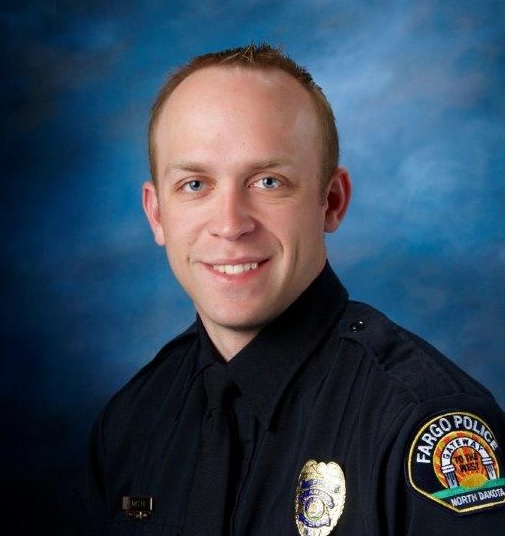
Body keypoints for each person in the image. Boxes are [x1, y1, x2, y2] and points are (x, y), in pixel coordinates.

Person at [74, 44, 505, 535]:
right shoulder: (130, 422)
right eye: (195, 184)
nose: (230, 224)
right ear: (157, 214)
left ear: (332, 201)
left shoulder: (422, 426)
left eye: (268, 182)